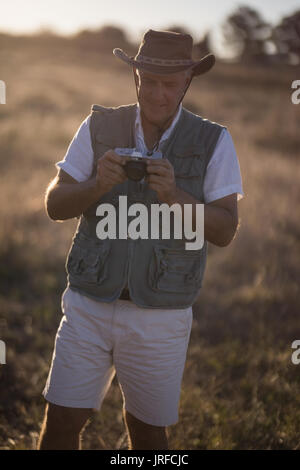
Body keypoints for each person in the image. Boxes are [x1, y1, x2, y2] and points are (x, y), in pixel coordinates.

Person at [38, 29, 244, 450]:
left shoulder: (214, 140)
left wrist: (175, 197)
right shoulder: (98, 125)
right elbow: (55, 204)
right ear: (135, 77)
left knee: (149, 436)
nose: (157, 94)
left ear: (188, 81)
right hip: (88, 304)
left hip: (162, 316)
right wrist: (96, 184)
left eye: (169, 84)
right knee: (60, 423)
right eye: (148, 81)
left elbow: (225, 229)